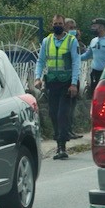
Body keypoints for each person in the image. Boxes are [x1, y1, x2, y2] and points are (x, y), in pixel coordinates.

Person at [34, 14, 80, 160]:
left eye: (60, 23)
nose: (57, 26)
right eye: (55, 23)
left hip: (66, 83)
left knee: (62, 113)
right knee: (53, 113)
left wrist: (74, 83)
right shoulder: (47, 41)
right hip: (52, 81)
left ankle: (62, 146)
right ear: (52, 24)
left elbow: (76, 63)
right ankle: (57, 139)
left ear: (64, 26)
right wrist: (37, 77)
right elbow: (41, 61)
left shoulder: (71, 41)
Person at [80, 17, 105, 98]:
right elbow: (87, 55)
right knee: (95, 96)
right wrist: (75, 58)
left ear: (102, 27)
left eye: (94, 26)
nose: (92, 28)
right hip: (95, 73)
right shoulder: (93, 41)